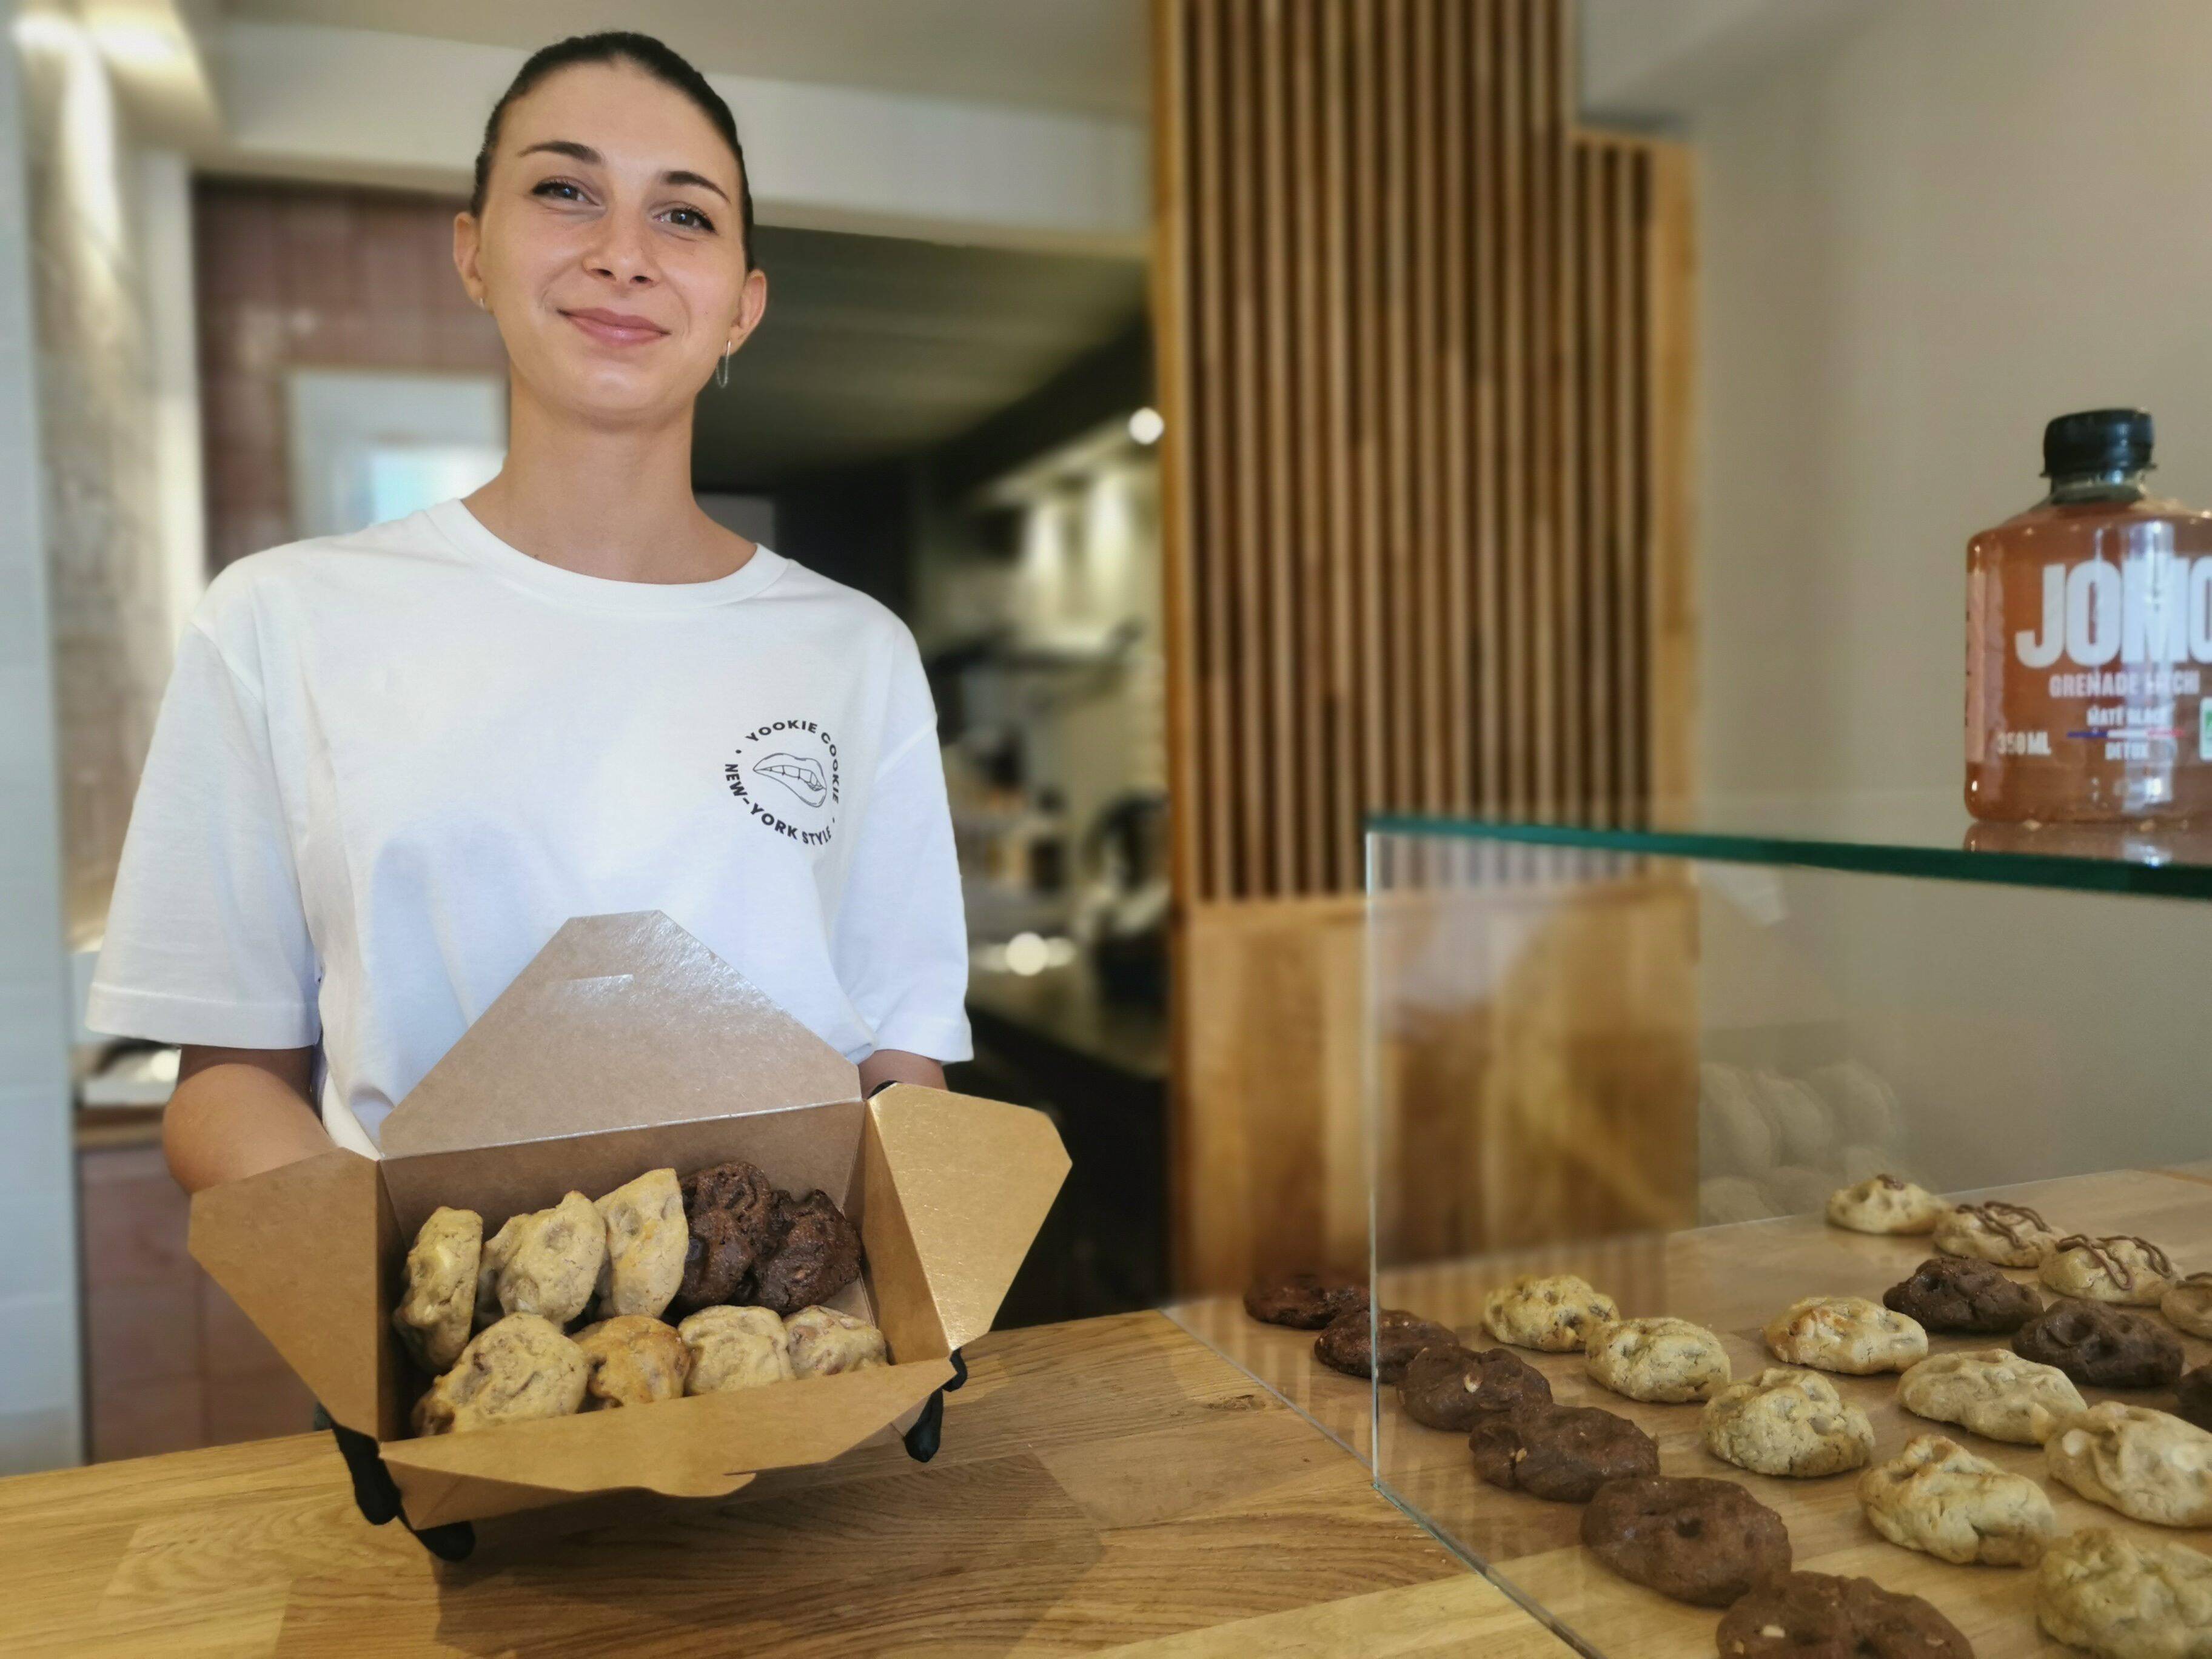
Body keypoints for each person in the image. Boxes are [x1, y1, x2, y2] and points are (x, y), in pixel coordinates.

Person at [87, 32, 971, 1193]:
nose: (623, 255)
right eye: (566, 192)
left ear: (744, 306)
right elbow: (229, 1075)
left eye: (685, 216)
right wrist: (392, 1299)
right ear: (474, 253)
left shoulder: (856, 653)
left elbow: (903, 1065)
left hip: (806, 1329)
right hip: (433, 1344)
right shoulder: (284, 620)